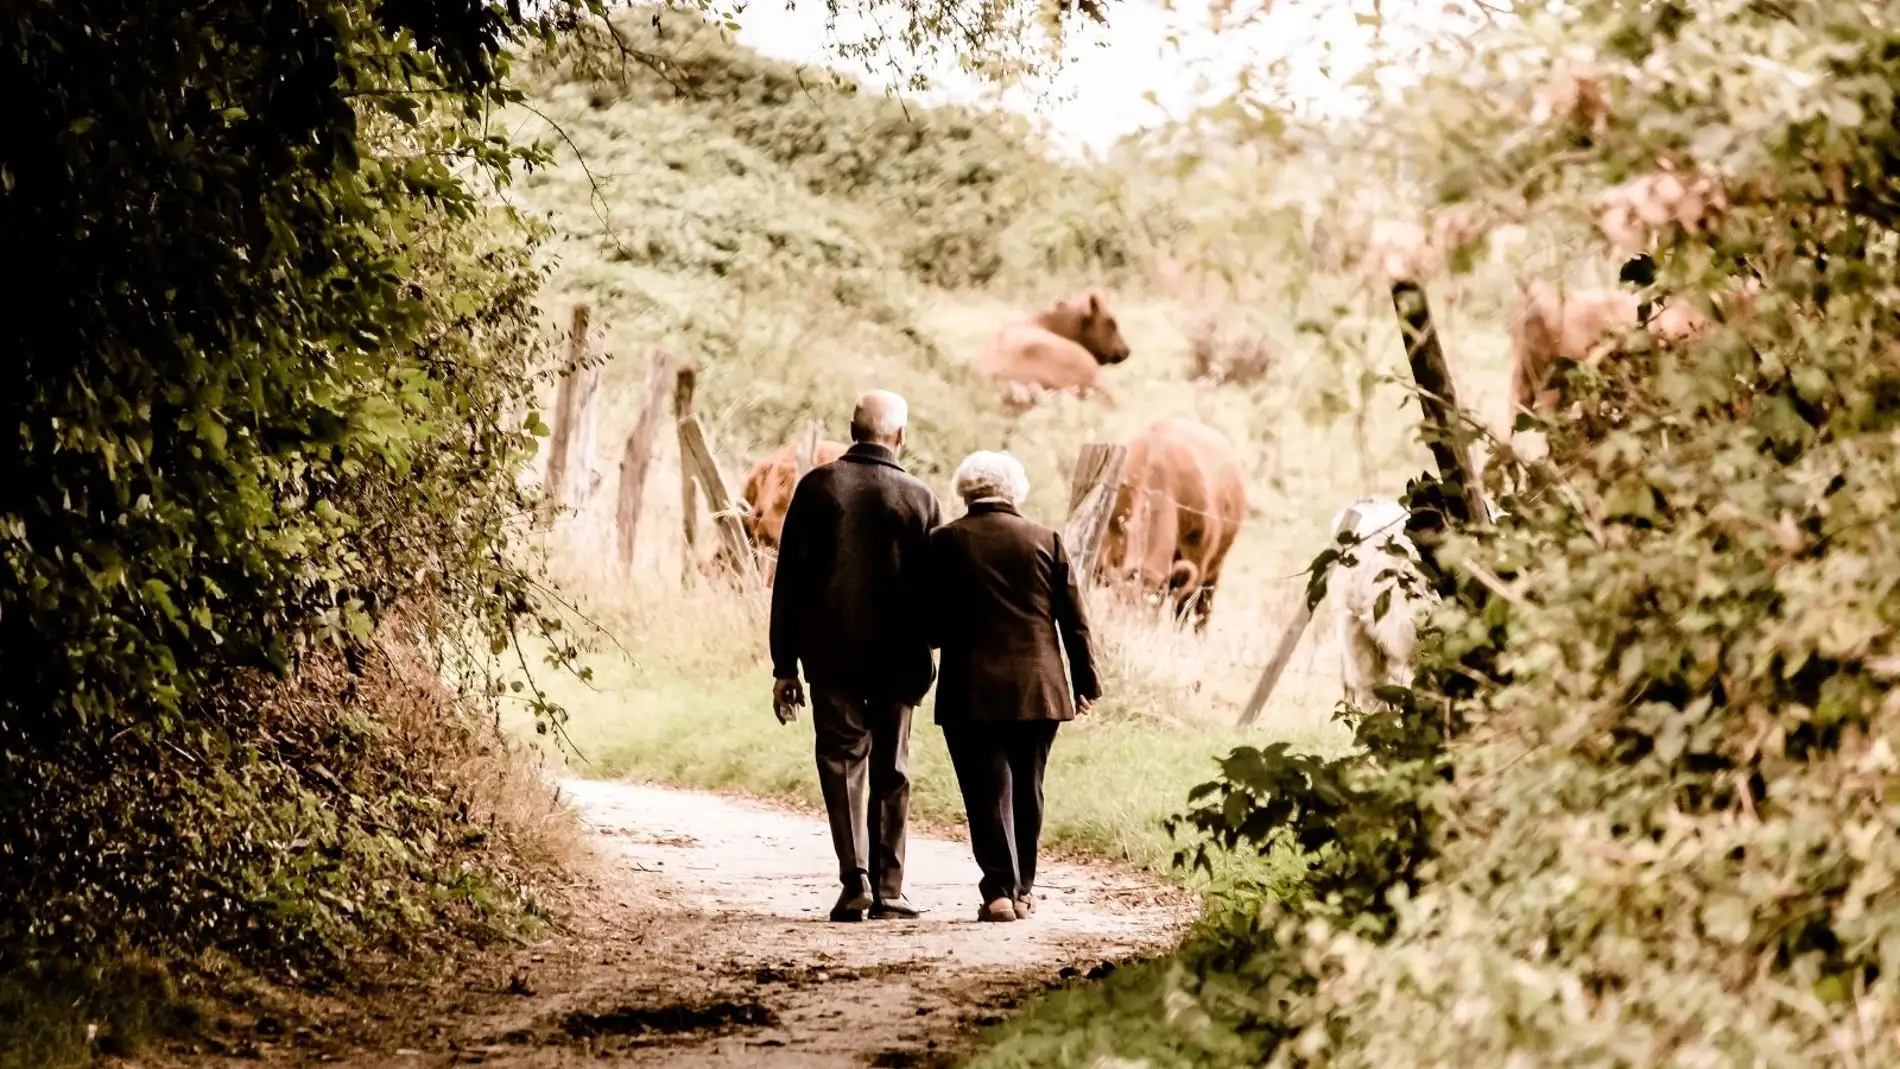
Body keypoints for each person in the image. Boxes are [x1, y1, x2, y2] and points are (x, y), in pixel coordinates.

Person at [769, 390, 944, 923]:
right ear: (901, 437)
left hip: (830, 653)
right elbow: (935, 589)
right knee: (892, 765)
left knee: (842, 761)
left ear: (851, 429)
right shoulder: (920, 497)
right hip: (900, 656)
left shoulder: (818, 488)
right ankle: (891, 890)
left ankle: (855, 881)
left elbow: (789, 583)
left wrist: (784, 666)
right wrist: (932, 645)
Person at [925, 450, 1100, 923]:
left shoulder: (943, 542)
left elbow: (929, 624)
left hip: (970, 689)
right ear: (1015, 490)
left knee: (985, 790)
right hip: (1039, 688)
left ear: (965, 490)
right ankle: (1022, 889)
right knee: (1029, 786)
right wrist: (1085, 682)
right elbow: (1075, 623)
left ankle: (998, 891)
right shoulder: (1047, 541)